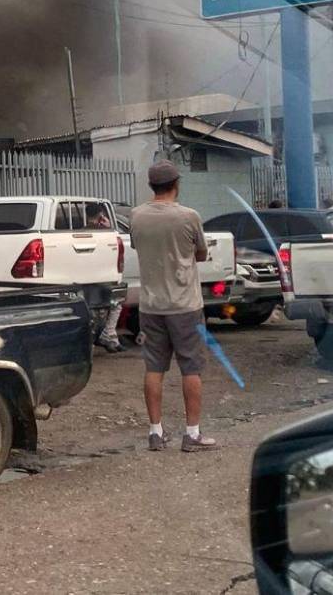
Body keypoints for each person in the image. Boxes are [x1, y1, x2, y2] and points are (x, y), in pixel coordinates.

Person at [130, 160, 218, 453]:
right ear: (176, 184)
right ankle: (191, 434)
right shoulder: (189, 217)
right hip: (185, 305)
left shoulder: (137, 216)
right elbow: (202, 254)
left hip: (151, 306)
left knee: (154, 367)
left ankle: (155, 432)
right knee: (191, 367)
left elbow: (137, 246)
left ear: (151, 185)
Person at [85, 203, 124, 354]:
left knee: (88, 310)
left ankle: (94, 340)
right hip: (102, 279)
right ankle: (109, 335)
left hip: (83, 279)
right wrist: (109, 227)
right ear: (101, 215)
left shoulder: (79, 232)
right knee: (116, 303)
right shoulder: (107, 233)